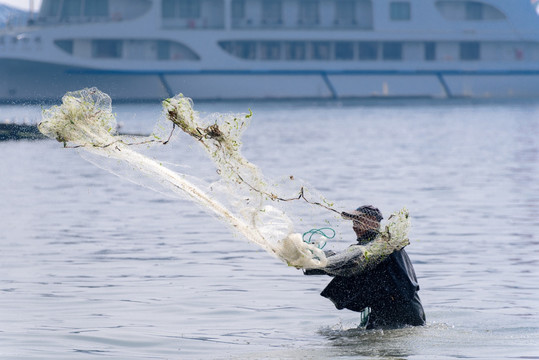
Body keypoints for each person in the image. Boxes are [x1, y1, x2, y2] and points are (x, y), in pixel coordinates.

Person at [305, 205, 426, 329]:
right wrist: (307, 260)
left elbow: (349, 261)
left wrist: (314, 261)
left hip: (404, 313)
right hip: (383, 309)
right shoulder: (369, 247)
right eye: (353, 222)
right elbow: (343, 258)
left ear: (373, 222)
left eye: (358, 221)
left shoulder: (383, 245)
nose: (354, 226)